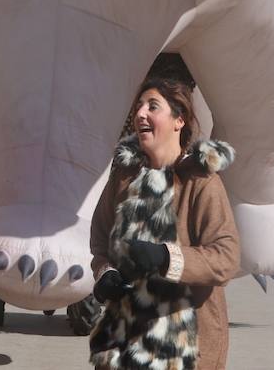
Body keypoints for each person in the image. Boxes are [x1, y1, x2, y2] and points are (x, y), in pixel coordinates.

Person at [89, 79, 239, 370]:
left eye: (152, 106)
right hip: (125, 342)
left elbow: (226, 257)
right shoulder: (123, 177)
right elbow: (100, 238)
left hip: (183, 347)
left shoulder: (201, 182)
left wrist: (166, 257)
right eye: (138, 107)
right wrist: (105, 274)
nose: (141, 114)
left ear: (178, 120)